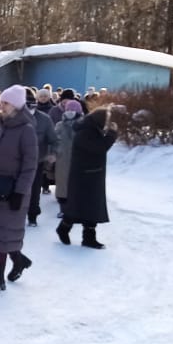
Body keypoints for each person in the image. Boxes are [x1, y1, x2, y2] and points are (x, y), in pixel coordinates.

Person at [0, 84, 38, 293]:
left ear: (17, 106)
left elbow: (30, 165)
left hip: (13, 190)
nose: (1, 106)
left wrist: (20, 192)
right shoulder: (0, 125)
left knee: (3, 234)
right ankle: (19, 260)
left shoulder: (26, 130)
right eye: (1, 102)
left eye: (6, 103)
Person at [57, 106, 118, 249]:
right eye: (107, 120)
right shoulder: (85, 132)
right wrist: (112, 134)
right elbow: (99, 148)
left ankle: (89, 238)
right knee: (78, 207)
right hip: (83, 177)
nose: (107, 124)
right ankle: (64, 228)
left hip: (93, 175)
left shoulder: (91, 129)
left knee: (92, 208)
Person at [27, 88, 59, 227]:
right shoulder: (14, 117)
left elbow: (53, 139)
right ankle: (16, 213)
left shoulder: (44, 119)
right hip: (17, 161)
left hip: (37, 160)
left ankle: (32, 215)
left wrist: (52, 153)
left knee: (34, 190)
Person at [53, 99, 83, 218]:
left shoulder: (83, 125)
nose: (70, 112)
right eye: (68, 109)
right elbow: (54, 140)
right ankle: (63, 209)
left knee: (77, 184)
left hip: (78, 159)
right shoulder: (60, 125)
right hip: (62, 160)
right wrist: (55, 151)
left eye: (73, 110)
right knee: (62, 185)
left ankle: (77, 208)